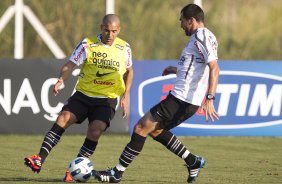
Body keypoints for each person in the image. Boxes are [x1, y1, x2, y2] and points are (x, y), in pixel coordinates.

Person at [92, 4, 220, 183]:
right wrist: (176, 69)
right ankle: (193, 161)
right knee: (156, 130)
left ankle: (116, 173)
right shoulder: (204, 37)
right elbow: (198, 66)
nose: (181, 25)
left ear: (191, 20)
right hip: (185, 98)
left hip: (183, 98)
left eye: (182, 21)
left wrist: (210, 98)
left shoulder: (201, 36)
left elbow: (214, 68)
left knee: (140, 128)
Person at [24, 14, 133, 182]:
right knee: (63, 118)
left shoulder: (124, 48)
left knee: (95, 130)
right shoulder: (87, 44)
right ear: (101, 27)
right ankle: (39, 158)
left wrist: (125, 96)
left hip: (107, 99)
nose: (110, 35)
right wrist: (61, 79)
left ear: (119, 30)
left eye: (114, 31)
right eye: (106, 30)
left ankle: (73, 171)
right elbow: (70, 64)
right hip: (83, 94)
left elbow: (129, 71)